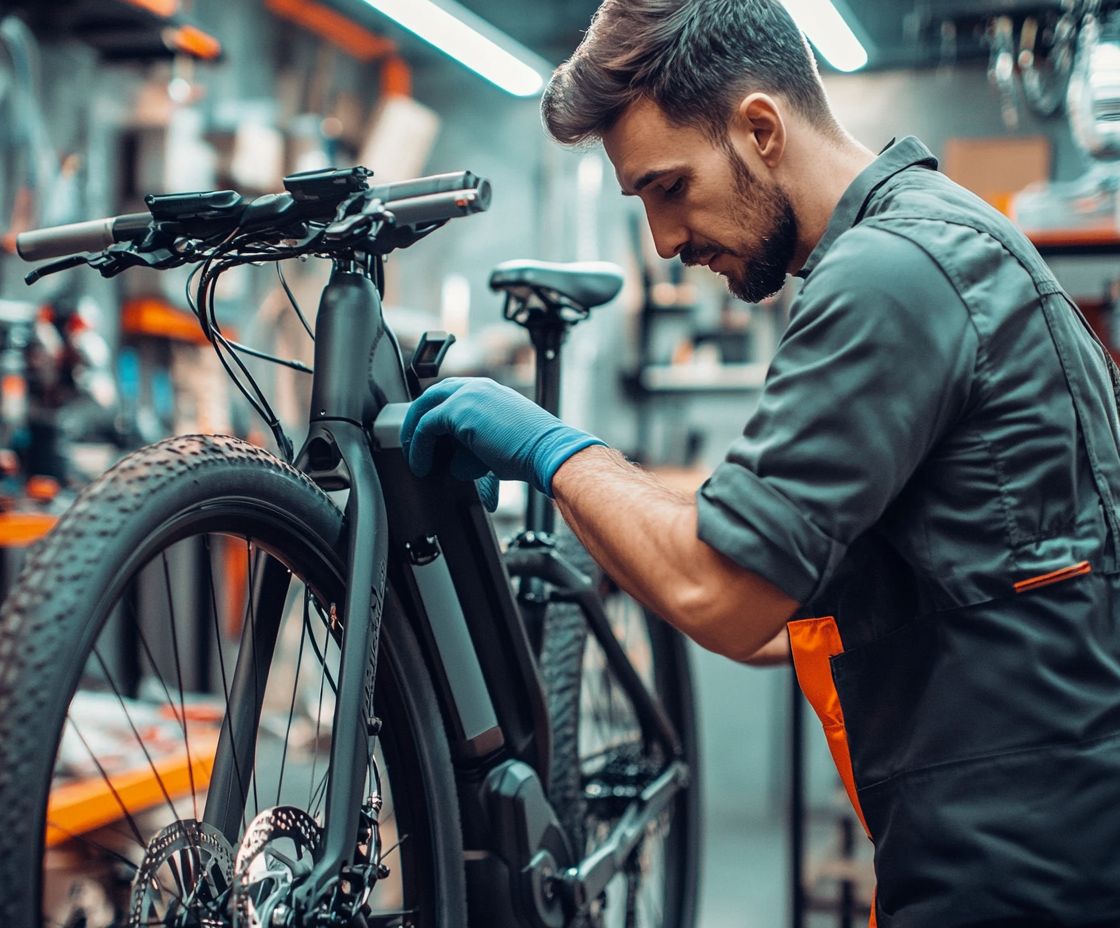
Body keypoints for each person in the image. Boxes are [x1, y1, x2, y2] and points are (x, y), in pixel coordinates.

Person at [400, 0, 1120, 924]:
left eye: (668, 187)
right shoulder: (945, 238)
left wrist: (550, 447)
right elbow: (818, 604)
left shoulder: (891, 274)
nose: (664, 239)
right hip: (1045, 839)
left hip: (1020, 878)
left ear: (759, 128)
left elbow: (724, 598)